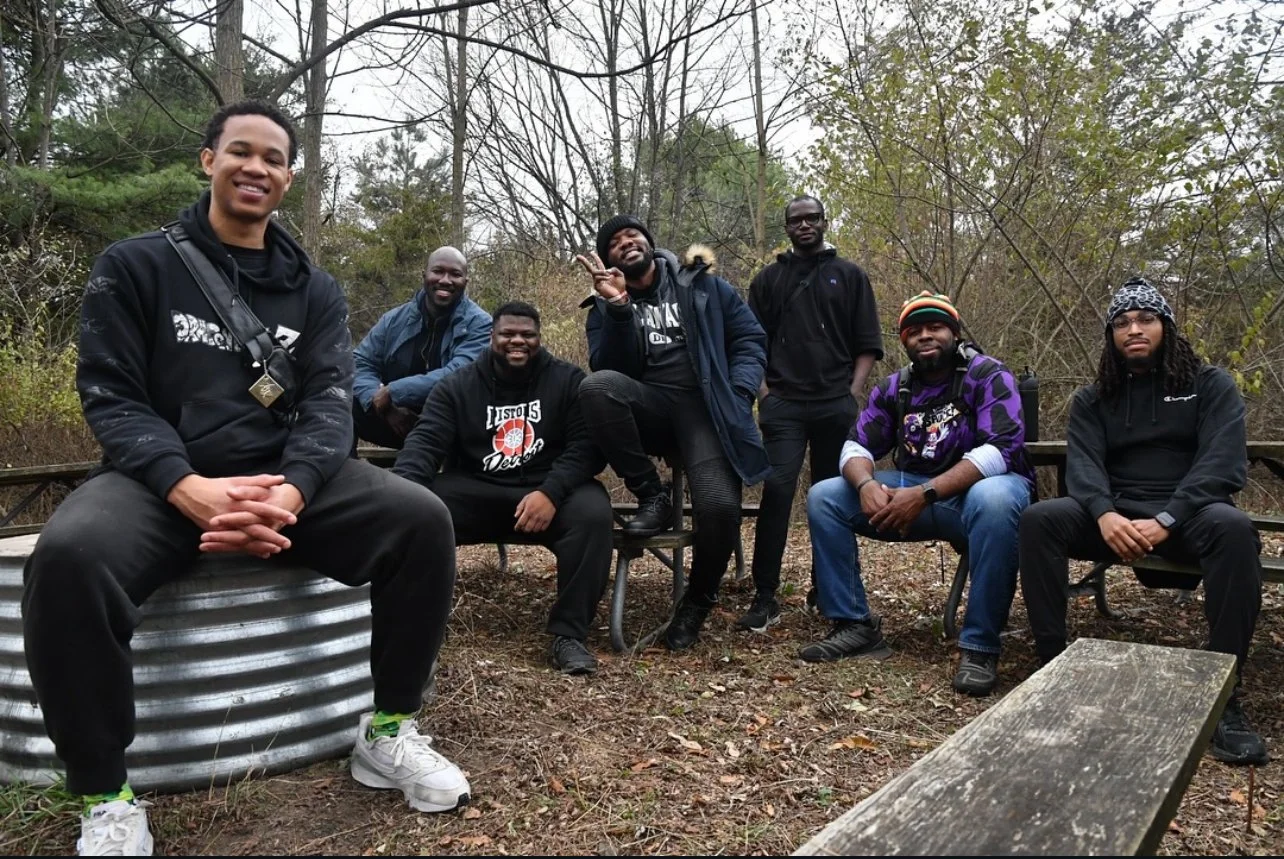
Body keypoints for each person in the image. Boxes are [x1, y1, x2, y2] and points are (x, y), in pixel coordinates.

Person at [22, 101, 468, 857]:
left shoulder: (316, 290)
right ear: (208, 160)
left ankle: (388, 731)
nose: (255, 167)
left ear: (289, 178)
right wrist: (186, 488)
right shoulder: (134, 266)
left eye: (273, 158)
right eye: (240, 151)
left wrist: (290, 493)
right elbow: (111, 395)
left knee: (422, 519)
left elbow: (330, 406)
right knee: (68, 557)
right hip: (157, 483)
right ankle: (104, 794)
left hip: (284, 482)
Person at [1019, 277, 1267, 765]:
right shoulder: (1095, 398)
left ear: (1166, 327)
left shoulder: (1209, 385)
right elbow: (1084, 466)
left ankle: (1224, 695)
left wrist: (1170, 517)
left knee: (1236, 531)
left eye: (1146, 319)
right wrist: (1104, 513)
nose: (1134, 329)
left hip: (1190, 515)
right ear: (1111, 335)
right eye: (1122, 322)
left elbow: (1222, 464)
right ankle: (1050, 665)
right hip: (1116, 514)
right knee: (1040, 519)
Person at [802, 291, 1033, 696]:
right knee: (825, 496)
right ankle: (854, 626)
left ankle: (980, 646)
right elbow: (855, 447)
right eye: (914, 331)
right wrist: (866, 484)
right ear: (904, 341)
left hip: (975, 495)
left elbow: (1002, 449)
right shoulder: (897, 387)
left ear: (954, 333)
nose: (925, 335)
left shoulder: (988, 375)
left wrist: (925, 493)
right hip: (916, 491)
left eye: (935, 327)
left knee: (996, 498)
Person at [575, 215, 770, 651]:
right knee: (597, 387)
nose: (626, 242)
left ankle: (697, 601)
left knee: (718, 507)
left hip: (706, 411)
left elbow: (749, 339)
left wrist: (739, 393)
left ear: (649, 242)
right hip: (651, 408)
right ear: (609, 259)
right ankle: (653, 496)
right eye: (615, 242)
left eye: (632, 235)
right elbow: (610, 369)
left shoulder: (702, 286)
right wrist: (619, 308)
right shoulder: (603, 308)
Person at [393, 301, 612, 675]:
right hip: (478, 490)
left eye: (528, 335)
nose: (518, 341)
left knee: (593, 513)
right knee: (418, 506)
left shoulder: (567, 381)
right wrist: (398, 493)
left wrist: (551, 492)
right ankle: (414, 623)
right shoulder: (457, 386)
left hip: (546, 492)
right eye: (508, 333)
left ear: (539, 338)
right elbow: (425, 444)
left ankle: (569, 635)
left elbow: (586, 449)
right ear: (491, 337)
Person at [740, 195, 883, 632]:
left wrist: (852, 392)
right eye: (796, 220)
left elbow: (867, 342)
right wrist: (765, 393)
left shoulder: (850, 276)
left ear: (824, 221)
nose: (804, 225)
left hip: (834, 403)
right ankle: (766, 595)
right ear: (786, 227)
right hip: (783, 404)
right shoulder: (768, 281)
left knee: (831, 498)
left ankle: (827, 589)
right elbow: (749, 342)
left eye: (812, 218)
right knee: (777, 493)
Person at [352, 246, 492, 448]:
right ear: (424, 275)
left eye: (455, 274)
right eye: (438, 271)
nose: (445, 280)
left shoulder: (480, 324)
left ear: (465, 281)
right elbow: (362, 363)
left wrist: (393, 391)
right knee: (340, 399)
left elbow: (460, 374)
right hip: (397, 420)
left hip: (449, 424)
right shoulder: (393, 320)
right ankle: (340, 464)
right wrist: (383, 405)